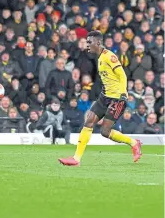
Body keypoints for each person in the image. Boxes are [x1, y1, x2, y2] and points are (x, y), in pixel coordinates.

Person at [59, 31, 142, 166]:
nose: (87, 45)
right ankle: (76, 159)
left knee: (105, 131)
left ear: (98, 42)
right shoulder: (99, 57)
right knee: (89, 121)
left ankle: (134, 143)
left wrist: (123, 94)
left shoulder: (109, 56)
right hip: (105, 96)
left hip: (117, 98)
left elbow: (122, 75)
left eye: (89, 42)